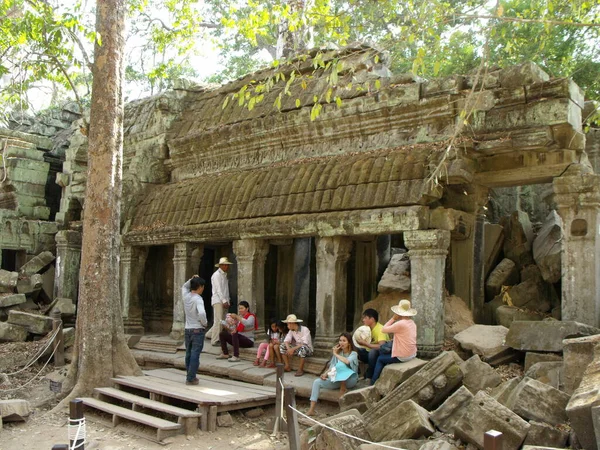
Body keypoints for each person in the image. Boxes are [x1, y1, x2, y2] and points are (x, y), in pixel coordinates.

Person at [307, 332, 359, 416]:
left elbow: (347, 361)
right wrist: (325, 374)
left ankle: (343, 389)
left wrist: (335, 353)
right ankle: (311, 409)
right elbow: (332, 366)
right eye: (340, 340)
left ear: (349, 343)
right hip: (337, 379)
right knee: (317, 382)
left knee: (341, 364)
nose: (341, 343)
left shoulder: (354, 353)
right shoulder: (338, 353)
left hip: (350, 381)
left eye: (344, 341)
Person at [370, 300, 417, 385]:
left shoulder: (400, 324)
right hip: (412, 353)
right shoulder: (412, 323)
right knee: (382, 351)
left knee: (380, 359)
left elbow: (383, 329)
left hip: (403, 356)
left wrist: (393, 318)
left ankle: (373, 382)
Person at [182, 275, 208, 385]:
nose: (203, 289)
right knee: (195, 354)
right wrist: (204, 323)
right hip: (197, 329)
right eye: (202, 287)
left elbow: (184, 286)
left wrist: (191, 279)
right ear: (200, 287)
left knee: (188, 353)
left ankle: (189, 375)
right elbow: (201, 313)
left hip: (188, 329)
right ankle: (191, 378)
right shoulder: (198, 299)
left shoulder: (186, 296)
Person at [354, 308, 390, 382]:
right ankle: (356, 373)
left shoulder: (380, 329)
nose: (363, 320)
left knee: (372, 352)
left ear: (372, 319)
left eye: (365, 318)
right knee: (357, 349)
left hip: (378, 354)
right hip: (367, 352)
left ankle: (369, 376)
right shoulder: (366, 329)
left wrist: (366, 344)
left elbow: (382, 346)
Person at [208, 256, 233, 346]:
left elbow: (225, 290)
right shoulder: (216, 275)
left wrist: (227, 300)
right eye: (225, 265)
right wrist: (224, 300)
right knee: (218, 320)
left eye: (227, 265)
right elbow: (218, 290)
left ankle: (210, 334)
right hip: (218, 300)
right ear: (221, 265)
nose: (226, 267)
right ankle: (214, 340)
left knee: (222, 321)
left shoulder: (224, 275)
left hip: (223, 300)